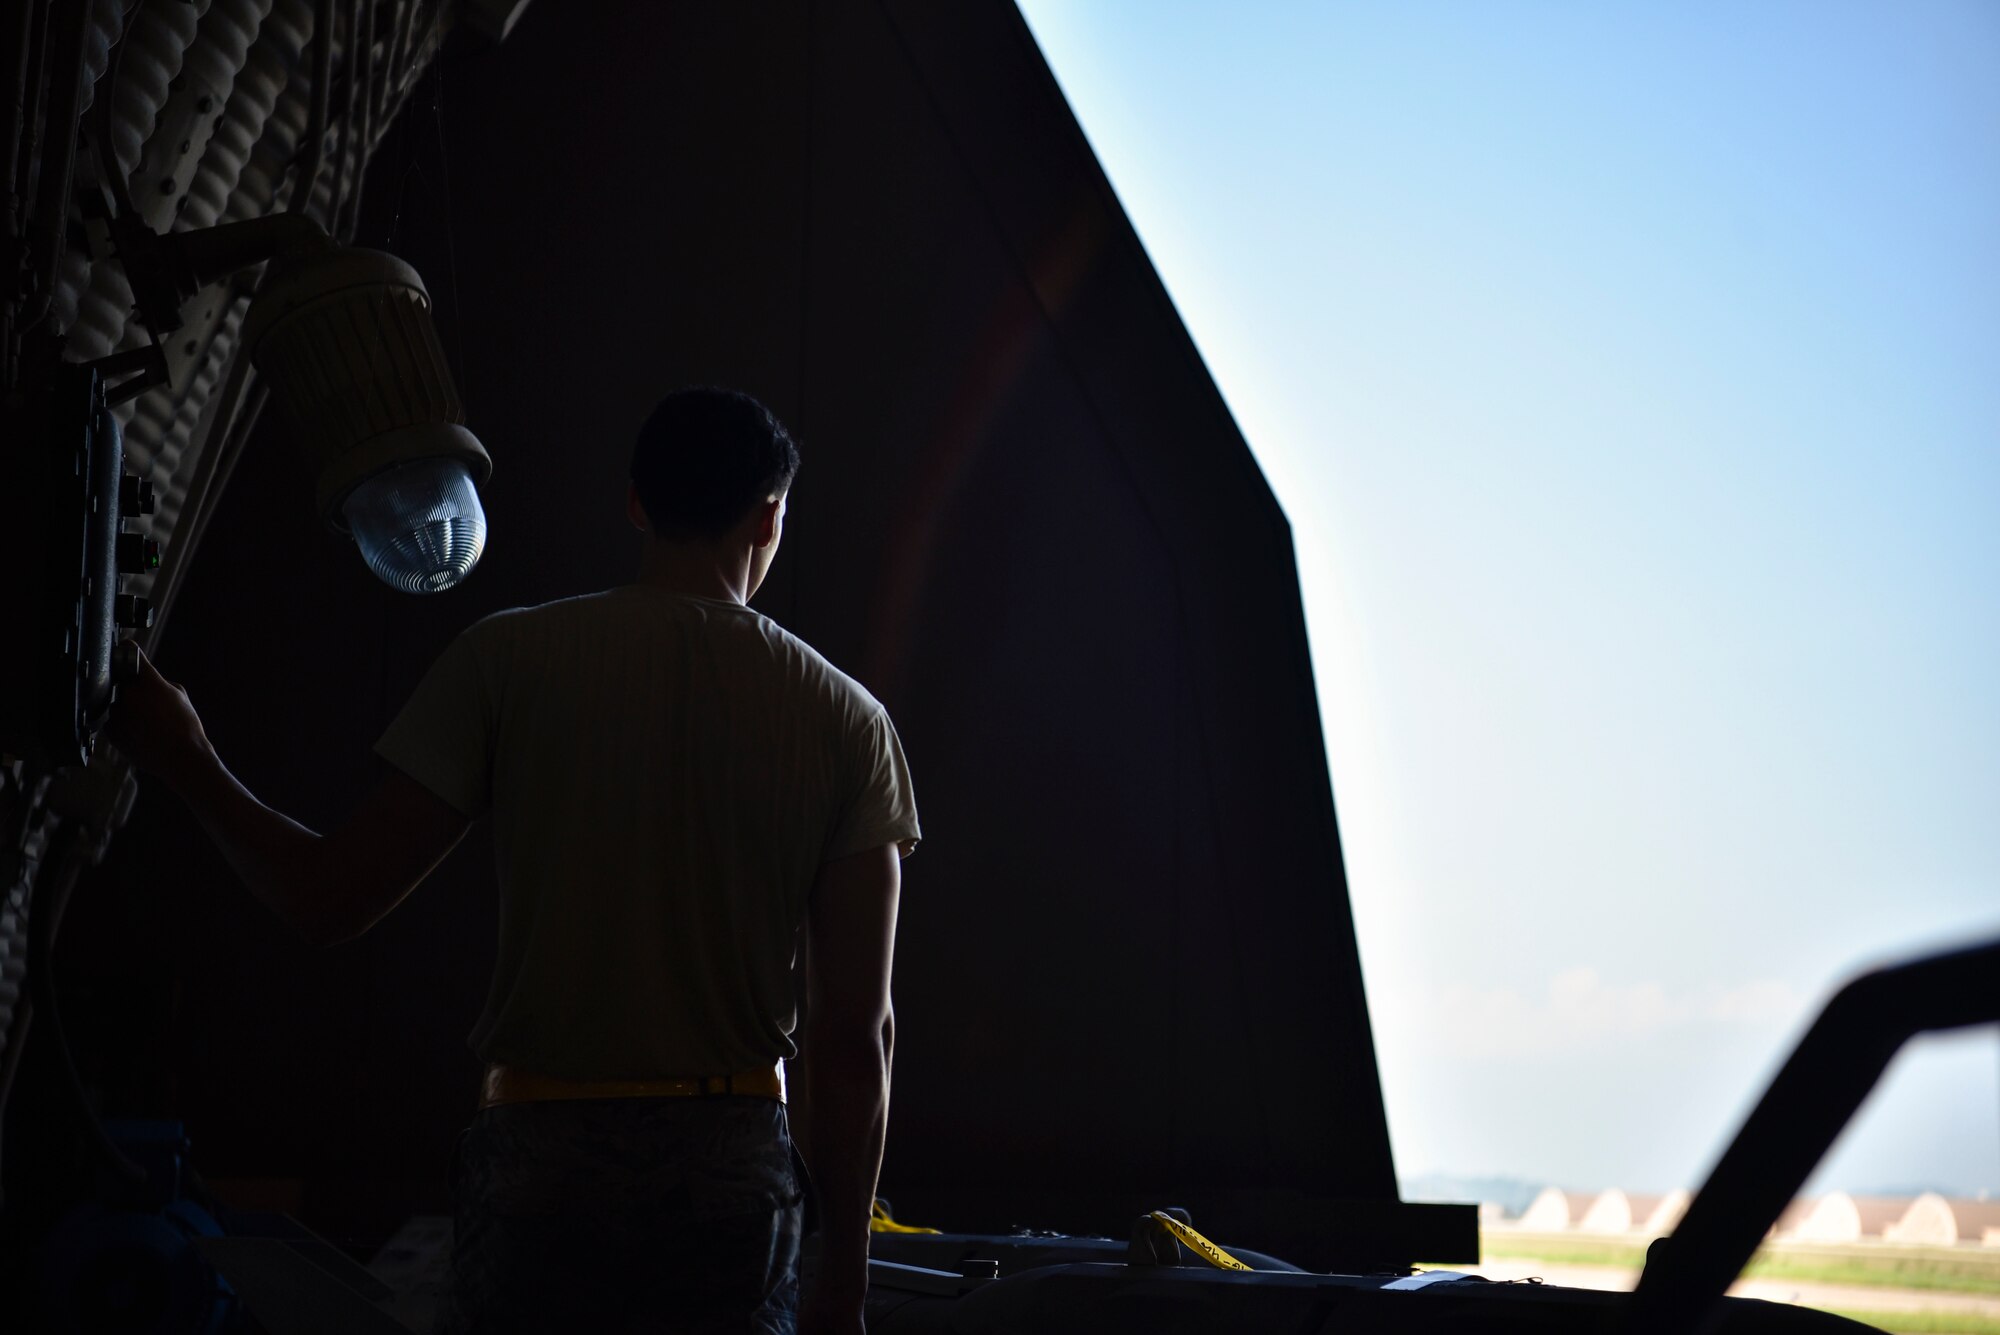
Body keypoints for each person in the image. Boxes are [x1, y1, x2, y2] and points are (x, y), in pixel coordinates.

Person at [109, 386, 919, 1334]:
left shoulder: (506, 660)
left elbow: (327, 898)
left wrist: (185, 755)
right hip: (730, 1169)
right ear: (771, 513)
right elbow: (854, 1036)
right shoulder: (849, 722)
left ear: (635, 503)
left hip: (540, 1157)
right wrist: (845, 1284)